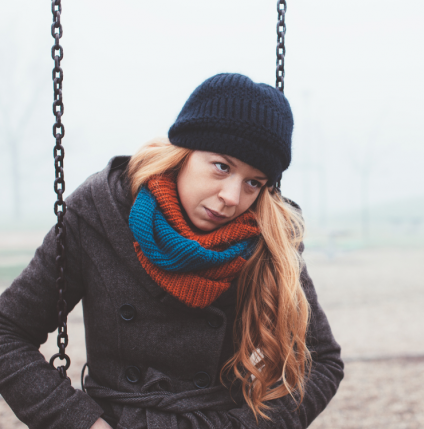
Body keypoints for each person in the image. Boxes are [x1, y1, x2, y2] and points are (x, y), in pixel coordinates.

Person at [0, 73, 344, 429]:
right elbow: (7, 330)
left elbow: (321, 362)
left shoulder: (266, 238)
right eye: (221, 167)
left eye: (253, 182)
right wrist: (79, 422)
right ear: (183, 153)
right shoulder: (100, 211)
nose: (231, 197)